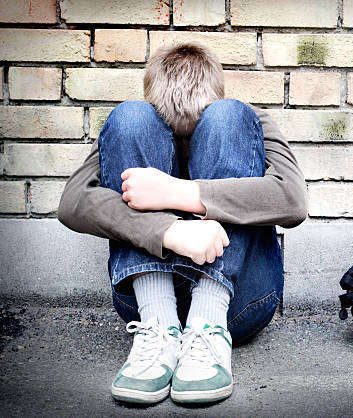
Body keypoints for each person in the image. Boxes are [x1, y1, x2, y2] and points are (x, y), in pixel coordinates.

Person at [58, 43, 307, 405]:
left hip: (239, 301)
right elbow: (73, 203)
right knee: (129, 118)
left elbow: (293, 201)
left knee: (231, 117)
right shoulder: (143, 122)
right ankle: (159, 330)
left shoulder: (243, 121)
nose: (186, 141)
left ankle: (208, 324)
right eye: (176, 134)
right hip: (146, 304)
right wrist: (169, 231)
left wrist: (178, 192)